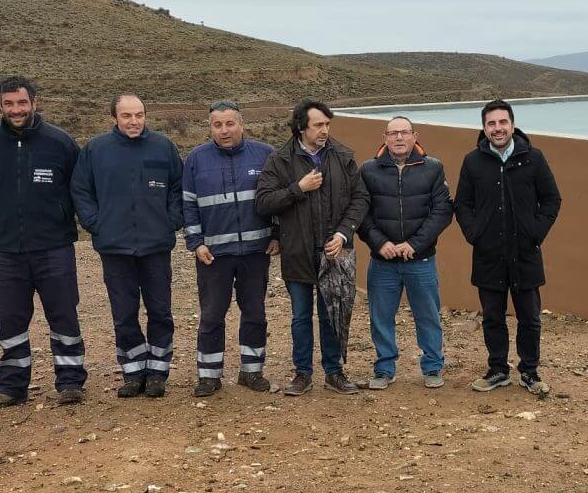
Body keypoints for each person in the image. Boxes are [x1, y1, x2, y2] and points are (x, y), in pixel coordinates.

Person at [0, 76, 86, 408]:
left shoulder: (60, 142)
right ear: (0, 105)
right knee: (10, 318)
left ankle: (70, 382)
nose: (16, 110)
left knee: (63, 314)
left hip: (54, 246)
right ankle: (12, 386)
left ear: (35, 103)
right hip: (6, 249)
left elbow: (79, 189)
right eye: (9, 104)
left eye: (22, 103)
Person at [71, 93, 183, 398]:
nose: (134, 121)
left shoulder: (163, 147)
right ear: (114, 118)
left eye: (139, 115)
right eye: (127, 116)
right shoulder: (96, 149)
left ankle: (158, 372)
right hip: (115, 247)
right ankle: (133, 373)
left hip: (156, 246)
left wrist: (171, 220)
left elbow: (177, 186)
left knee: (160, 311)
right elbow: (81, 190)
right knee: (124, 312)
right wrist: (96, 223)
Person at [255, 98, 369, 396]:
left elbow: (360, 200)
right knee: (300, 316)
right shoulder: (280, 159)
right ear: (301, 127)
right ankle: (302, 374)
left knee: (333, 313)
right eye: (318, 125)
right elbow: (263, 202)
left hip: (334, 253)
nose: (324, 130)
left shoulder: (343, 156)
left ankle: (334, 372)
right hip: (297, 252)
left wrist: (343, 234)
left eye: (327, 124)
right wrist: (298, 189)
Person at [454, 99, 562, 394]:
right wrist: (474, 233)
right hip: (488, 255)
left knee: (530, 318)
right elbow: (462, 203)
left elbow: (552, 199)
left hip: (525, 254)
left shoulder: (533, 158)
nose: (497, 128)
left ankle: (529, 372)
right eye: (491, 123)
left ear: (512, 125)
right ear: (484, 127)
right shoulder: (473, 161)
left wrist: (535, 232)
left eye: (502, 122)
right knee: (492, 317)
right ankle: (498, 369)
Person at [182, 100, 279, 397]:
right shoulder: (196, 159)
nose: (224, 130)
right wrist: (195, 243)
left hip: (255, 251)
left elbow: (277, 201)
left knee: (255, 313)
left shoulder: (265, 155)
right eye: (217, 125)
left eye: (230, 124)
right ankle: (209, 376)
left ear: (241, 123)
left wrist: (277, 235)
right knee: (212, 315)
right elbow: (188, 204)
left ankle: (252, 372)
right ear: (210, 127)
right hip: (213, 255)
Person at [357, 115, 453, 389]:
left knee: (428, 316)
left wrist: (415, 244)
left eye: (404, 132)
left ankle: (433, 367)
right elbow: (361, 214)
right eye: (393, 133)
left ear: (415, 136)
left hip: (420, 259)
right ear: (384, 138)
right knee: (381, 316)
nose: (399, 138)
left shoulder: (433, 168)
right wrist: (380, 243)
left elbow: (442, 211)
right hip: (382, 261)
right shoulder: (368, 170)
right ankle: (384, 369)